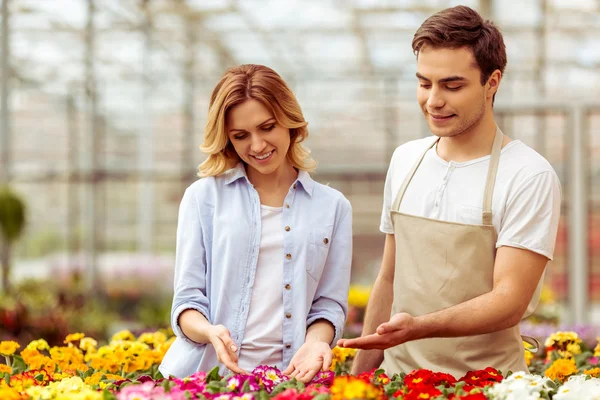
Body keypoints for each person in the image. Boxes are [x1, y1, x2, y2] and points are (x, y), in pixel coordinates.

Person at [337, 5, 561, 378]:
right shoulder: (406, 160)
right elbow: (389, 279)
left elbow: (510, 301)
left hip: (487, 384)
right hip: (400, 381)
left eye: (452, 86)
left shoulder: (527, 174)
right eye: (424, 83)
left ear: (492, 83)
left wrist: (420, 327)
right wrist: (359, 379)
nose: (433, 100)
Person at [159, 64, 352, 382]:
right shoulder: (203, 198)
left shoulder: (333, 208)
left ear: (289, 121)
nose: (258, 145)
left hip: (290, 379)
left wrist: (316, 342)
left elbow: (328, 305)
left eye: (267, 127)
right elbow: (187, 302)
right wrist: (210, 332)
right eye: (241, 136)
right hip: (208, 378)